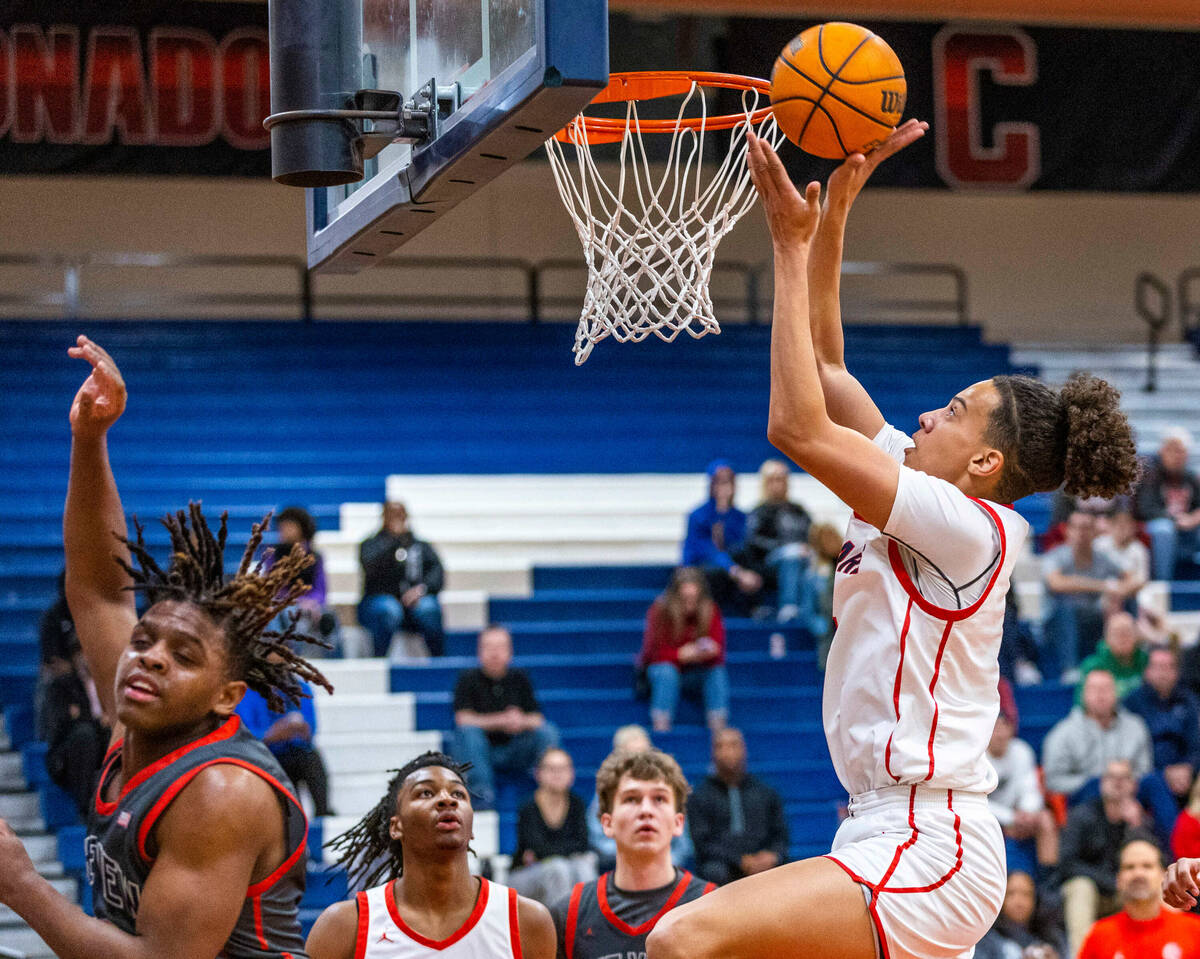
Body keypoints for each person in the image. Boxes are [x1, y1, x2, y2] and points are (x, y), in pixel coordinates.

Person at [644, 123, 1140, 959]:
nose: (923, 415)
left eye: (950, 412)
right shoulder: (919, 489)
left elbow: (795, 424)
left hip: (932, 840)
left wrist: (788, 250)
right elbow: (830, 369)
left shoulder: (972, 526)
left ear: (985, 460)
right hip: (882, 826)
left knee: (683, 940)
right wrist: (834, 218)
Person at [0, 336, 331, 958]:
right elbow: (99, 591)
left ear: (228, 695)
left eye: (184, 656)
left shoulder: (221, 791)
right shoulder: (142, 725)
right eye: (145, 640)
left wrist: (19, 883)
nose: (149, 656)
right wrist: (90, 440)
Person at [307, 750, 556, 959]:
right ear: (396, 826)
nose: (447, 800)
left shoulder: (527, 921)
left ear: (471, 826)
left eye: (458, 794)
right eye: (425, 792)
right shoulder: (343, 927)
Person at [549, 750, 713, 959]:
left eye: (659, 799)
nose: (646, 810)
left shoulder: (710, 907)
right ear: (607, 824)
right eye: (631, 799)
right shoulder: (568, 915)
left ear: (678, 823)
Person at [451, 625, 559, 809]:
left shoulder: (520, 677)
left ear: (510, 651)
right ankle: (482, 793)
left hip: (515, 749)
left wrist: (520, 721)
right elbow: (462, 719)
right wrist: (500, 721)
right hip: (481, 753)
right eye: (489, 647)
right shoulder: (468, 678)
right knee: (468, 735)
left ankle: (550, 784)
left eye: (500, 647)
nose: (494, 653)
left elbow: (537, 719)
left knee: (547, 732)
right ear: (479, 651)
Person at [1059, 760, 1158, 955]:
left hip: (1124, 891)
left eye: (1124, 778)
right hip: (1093, 890)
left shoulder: (1139, 820)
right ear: (1102, 783)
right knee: (1081, 887)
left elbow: (1155, 861)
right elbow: (1067, 864)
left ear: (1133, 785)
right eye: (1112, 777)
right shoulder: (1082, 815)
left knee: (1155, 882)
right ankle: (1083, 954)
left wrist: (1136, 826)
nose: (1118, 783)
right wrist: (1111, 882)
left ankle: (1158, 949)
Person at [1041, 511, 1135, 681]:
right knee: (1066, 607)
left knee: (1126, 604)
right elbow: (1056, 583)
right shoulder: (1056, 555)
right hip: (1058, 620)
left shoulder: (1102, 558)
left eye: (1086, 528)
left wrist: (1120, 591)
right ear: (1067, 530)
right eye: (1076, 527)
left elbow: (1133, 579)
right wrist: (1103, 586)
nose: (1081, 533)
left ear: (1094, 532)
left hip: (1093, 617)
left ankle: (1121, 666)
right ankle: (1070, 669)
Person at [688, 728, 789, 886]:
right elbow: (703, 843)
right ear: (712, 753)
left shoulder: (766, 792)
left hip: (763, 861)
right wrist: (739, 860)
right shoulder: (700, 796)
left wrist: (772, 855)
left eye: (733, 745)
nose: (727, 752)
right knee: (713, 871)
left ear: (744, 749)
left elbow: (781, 834)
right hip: (723, 865)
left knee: (790, 870)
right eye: (720, 746)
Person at [586, 726, 692, 873]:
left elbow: (683, 844)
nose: (639, 762)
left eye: (644, 755)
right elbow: (598, 839)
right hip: (620, 865)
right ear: (618, 758)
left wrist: (662, 860)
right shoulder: (605, 792)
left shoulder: (667, 790)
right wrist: (632, 855)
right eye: (632, 756)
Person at [637, 567, 730, 733]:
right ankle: (662, 728)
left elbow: (718, 652)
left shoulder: (710, 610)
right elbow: (652, 654)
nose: (690, 604)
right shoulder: (660, 610)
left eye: (694, 599)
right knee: (666, 672)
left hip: (695, 670)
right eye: (685, 599)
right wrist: (679, 655)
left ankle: (719, 731)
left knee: (716, 673)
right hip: (665, 671)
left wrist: (706, 653)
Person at [1078, 836, 1200, 958]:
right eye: (1129, 867)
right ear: (1118, 878)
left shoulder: (1194, 930)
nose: (1138, 874)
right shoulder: (1099, 936)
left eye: (1147, 866)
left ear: (1163, 875)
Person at [507, 747, 597, 907]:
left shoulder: (577, 803)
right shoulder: (528, 806)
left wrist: (544, 852)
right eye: (551, 769)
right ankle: (559, 927)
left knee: (584, 866)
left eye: (563, 768)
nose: (557, 774)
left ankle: (590, 925)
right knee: (557, 868)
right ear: (538, 773)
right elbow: (537, 846)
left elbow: (583, 843)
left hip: (564, 867)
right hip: (525, 875)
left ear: (572, 773)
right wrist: (559, 851)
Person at [237, 675, 334, 818]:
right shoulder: (248, 692)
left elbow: (310, 732)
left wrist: (290, 730)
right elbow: (246, 736)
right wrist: (276, 732)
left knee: (310, 757)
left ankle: (322, 813)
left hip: (293, 751)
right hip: (264, 755)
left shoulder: (301, 688)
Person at [358, 501, 446, 657]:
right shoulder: (370, 545)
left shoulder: (421, 546)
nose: (396, 520)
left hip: (414, 603)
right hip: (379, 601)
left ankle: (438, 661)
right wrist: (393, 543)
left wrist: (421, 590)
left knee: (429, 609)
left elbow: (437, 573)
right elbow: (371, 569)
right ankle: (379, 660)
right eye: (391, 515)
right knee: (389, 610)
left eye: (400, 515)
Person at [985, 699, 1057, 878]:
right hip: (988, 817)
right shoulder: (976, 757)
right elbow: (975, 802)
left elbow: (1031, 789)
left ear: (1011, 730)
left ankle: (1049, 881)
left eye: (1004, 727)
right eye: (994, 728)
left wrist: (1026, 813)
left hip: (1019, 816)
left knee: (1046, 819)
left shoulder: (1022, 751)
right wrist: (1009, 818)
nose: (1000, 734)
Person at [681, 460, 763, 616]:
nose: (724, 487)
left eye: (728, 482)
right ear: (711, 484)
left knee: (748, 559)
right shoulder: (698, 516)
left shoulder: (740, 517)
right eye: (719, 482)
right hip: (703, 568)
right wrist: (735, 571)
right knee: (716, 572)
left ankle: (754, 611)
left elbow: (740, 547)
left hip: (731, 570)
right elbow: (707, 551)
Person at [1123, 644, 1200, 805]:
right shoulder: (1132, 703)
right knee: (1154, 784)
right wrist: (1164, 772)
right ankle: (1174, 831)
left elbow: (1196, 744)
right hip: (1149, 775)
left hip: (1187, 773)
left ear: (1177, 672)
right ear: (1147, 671)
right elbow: (1131, 749)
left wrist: (1188, 768)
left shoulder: (1189, 701)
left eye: (1168, 667)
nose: (1163, 673)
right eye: (1158, 667)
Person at [743, 459, 814, 622]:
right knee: (791, 556)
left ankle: (812, 615)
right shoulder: (759, 512)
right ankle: (788, 608)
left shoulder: (799, 510)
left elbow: (812, 535)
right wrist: (787, 548)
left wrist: (806, 549)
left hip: (801, 558)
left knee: (817, 570)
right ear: (765, 483)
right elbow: (753, 543)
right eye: (773, 480)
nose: (778, 484)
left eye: (781, 479)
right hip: (770, 563)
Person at [267, 505, 341, 654]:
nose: (284, 530)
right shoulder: (273, 555)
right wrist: (297, 601)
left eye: (289, 526)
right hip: (285, 605)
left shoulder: (315, 557)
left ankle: (337, 660)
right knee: (294, 619)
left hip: (312, 605)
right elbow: (272, 588)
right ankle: (292, 662)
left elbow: (321, 589)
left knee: (330, 619)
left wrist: (313, 603)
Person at [1135, 428, 1200, 581]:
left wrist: (1194, 519)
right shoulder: (1150, 475)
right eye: (1172, 451)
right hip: (1156, 527)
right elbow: (1146, 509)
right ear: (1162, 451)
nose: (1176, 456)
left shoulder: (1191, 478)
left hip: (1188, 530)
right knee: (1164, 530)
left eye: (1180, 451)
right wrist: (1176, 520)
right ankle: (1162, 585)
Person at [975, 870, 1065, 959]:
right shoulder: (984, 937)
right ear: (1000, 898)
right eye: (1011, 893)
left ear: (1036, 900)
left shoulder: (1049, 938)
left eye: (1026, 894)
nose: (1019, 902)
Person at [1074, 611, 1147, 703]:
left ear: (1137, 636)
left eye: (1127, 632)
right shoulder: (1093, 666)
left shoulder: (1147, 661)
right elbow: (1082, 704)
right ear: (1107, 638)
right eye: (1117, 633)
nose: (1123, 637)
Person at [1094, 507, 1150, 594]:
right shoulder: (1099, 544)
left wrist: (1121, 591)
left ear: (1133, 528)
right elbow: (1092, 573)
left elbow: (1142, 580)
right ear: (1110, 526)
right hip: (1101, 590)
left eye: (1126, 526)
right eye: (1118, 525)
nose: (1122, 530)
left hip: (1130, 593)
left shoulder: (1139, 549)